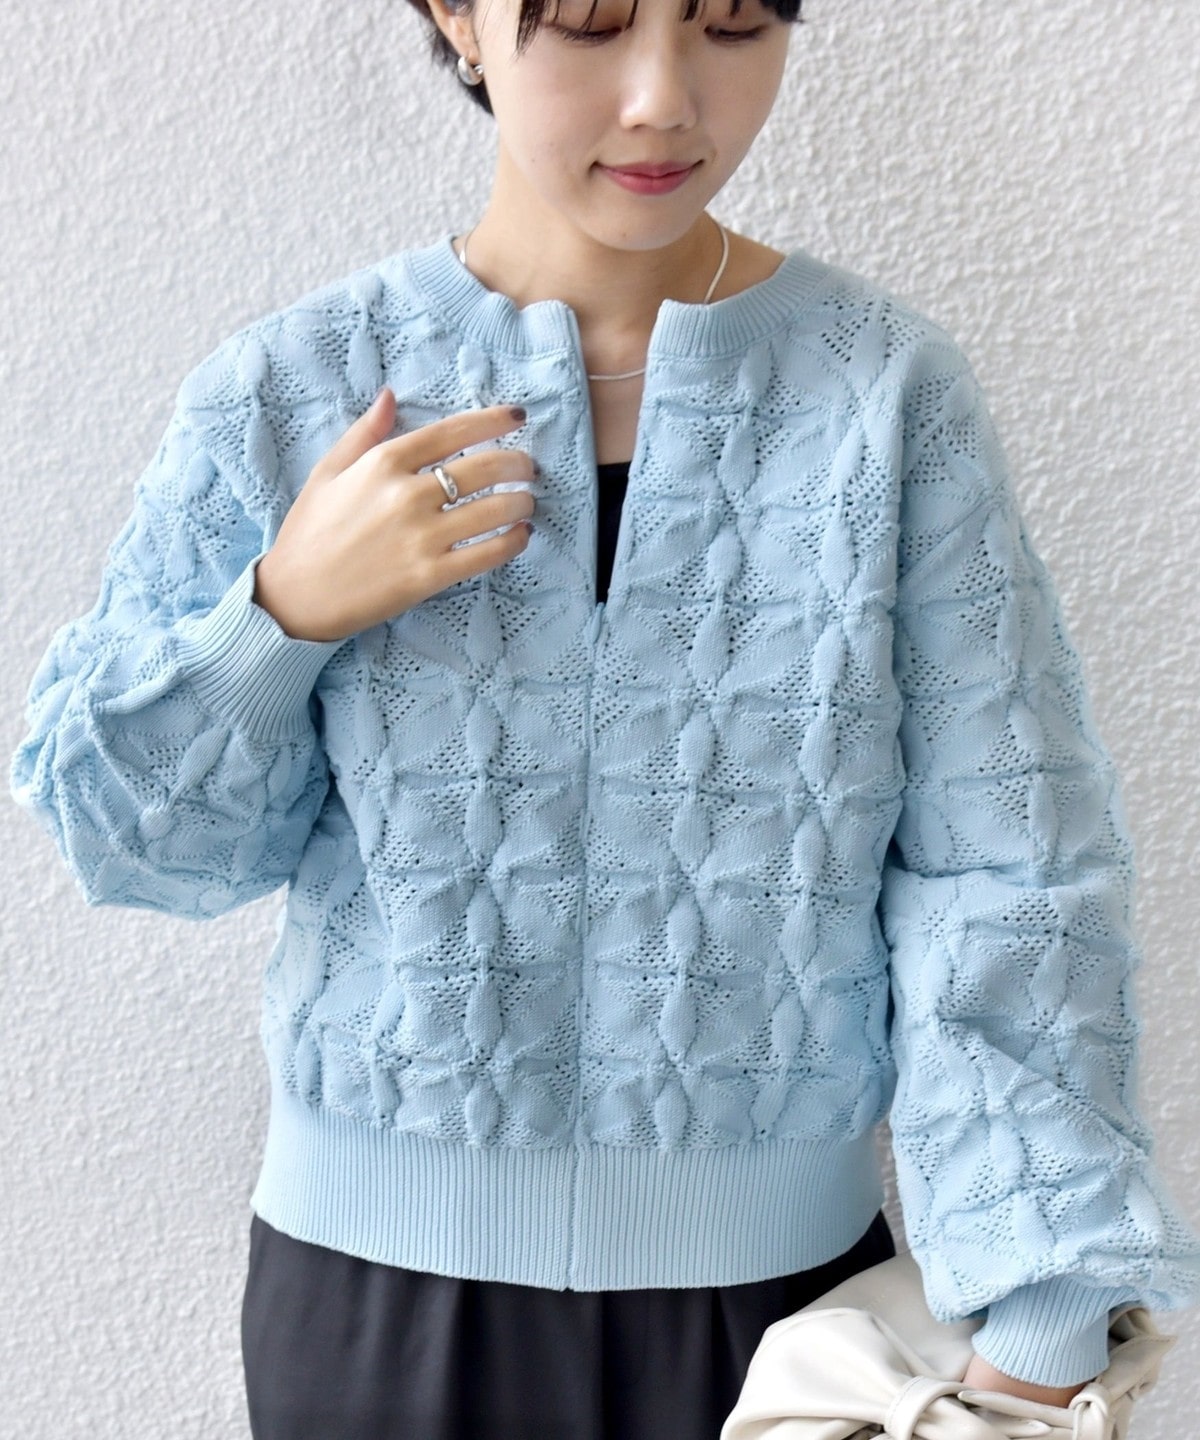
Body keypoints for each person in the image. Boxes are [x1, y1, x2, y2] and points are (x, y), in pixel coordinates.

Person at [11, 0, 1199, 1434]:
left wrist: (1051, 1315)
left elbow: (1011, 868)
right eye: (587, 22)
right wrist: (282, 616)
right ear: (459, 16)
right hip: (375, 1310)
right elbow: (138, 846)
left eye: (732, 25)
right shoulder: (294, 391)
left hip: (791, 1328)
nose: (663, 99)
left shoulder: (888, 400)